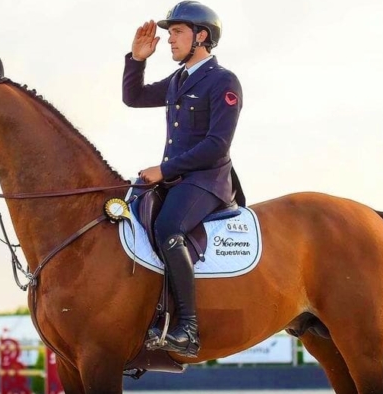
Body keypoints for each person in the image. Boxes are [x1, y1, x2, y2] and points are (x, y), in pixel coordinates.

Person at [122, 1, 243, 357]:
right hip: (177, 180)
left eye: (177, 32)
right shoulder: (179, 80)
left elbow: (217, 145)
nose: (170, 39)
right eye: (170, 32)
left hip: (207, 181)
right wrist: (137, 59)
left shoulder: (222, 81)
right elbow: (134, 97)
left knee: (168, 228)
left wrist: (164, 170)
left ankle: (187, 328)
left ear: (201, 36)